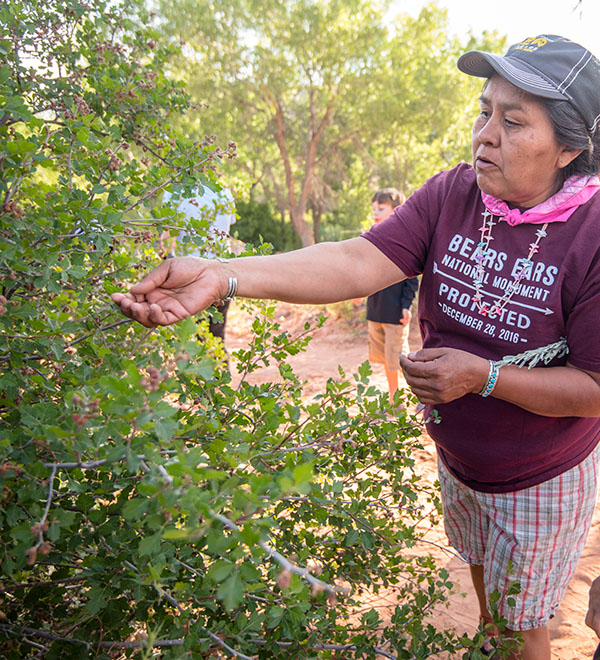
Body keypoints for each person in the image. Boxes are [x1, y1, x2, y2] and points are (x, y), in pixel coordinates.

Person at [113, 35, 600, 660]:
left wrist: (482, 378)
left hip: (541, 478)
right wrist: (223, 273)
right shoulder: (454, 194)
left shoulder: (590, 236)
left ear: (570, 147)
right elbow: (354, 258)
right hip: (461, 464)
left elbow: (593, 389)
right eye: (484, 112)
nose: (485, 135)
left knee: (525, 628)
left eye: (513, 122)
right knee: (491, 610)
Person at [162, 186, 237, 343]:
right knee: (216, 337)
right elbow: (227, 228)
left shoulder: (174, 191)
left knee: (189, 339)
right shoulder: (225, 192)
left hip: (189, 276)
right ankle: (219, 367)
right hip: (222, 271)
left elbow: (167, 238)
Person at [367, 188, 419, 404]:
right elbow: (364, 271)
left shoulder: (403, 239)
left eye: (381, 208)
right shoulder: (370, 237)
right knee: (384, 361)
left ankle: (418, 397)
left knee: (398, 360)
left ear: (396, 210)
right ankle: (393, 398)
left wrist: (406, 305)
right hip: (376, 311)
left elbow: (411, 278)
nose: (376, 213)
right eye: (373, 209)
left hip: (395, 313)